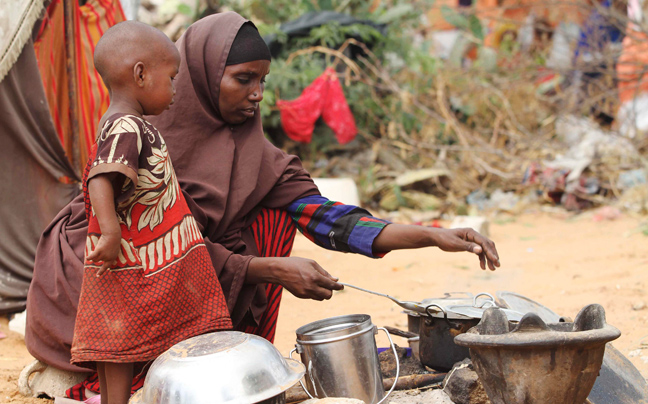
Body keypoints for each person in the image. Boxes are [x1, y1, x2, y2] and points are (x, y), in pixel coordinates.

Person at [25, 12, 499, 400]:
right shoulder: (141, 136)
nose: (258, 94)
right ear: (200, 77)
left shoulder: (255, 156)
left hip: (182, 269)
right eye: (243, 79)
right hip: (115, 270)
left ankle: (215, 352)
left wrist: (433, 236)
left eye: (262, 80)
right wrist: (271, 269)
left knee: (274, 211)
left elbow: (332, 221)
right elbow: (157, 244)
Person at [69, 21, 231, 404]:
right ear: (140, 74)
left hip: (122, 256)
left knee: (115, 342)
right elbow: (100, 179)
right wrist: (109, 232)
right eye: (172, 78)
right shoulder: (127, 125)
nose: (176, 90)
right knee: (123, 338)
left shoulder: (125, 124)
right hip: (134, 257)